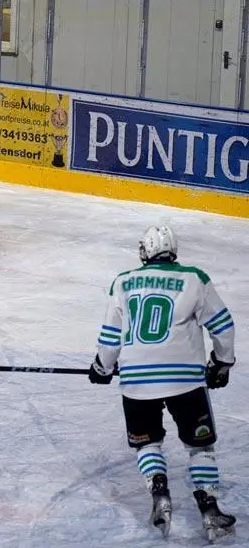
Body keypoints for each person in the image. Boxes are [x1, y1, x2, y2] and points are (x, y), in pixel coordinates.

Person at [88, 226, 236, 541]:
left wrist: (102, 367)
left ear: (145, 251)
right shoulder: (195, 278)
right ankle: (210, 510)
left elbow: (111, 337)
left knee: (147, 443)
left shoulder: (123, 281)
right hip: (185, 381)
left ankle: (159, 491)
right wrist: (222, 362)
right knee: (200, 446)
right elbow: (222, 325)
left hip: (137, 383)